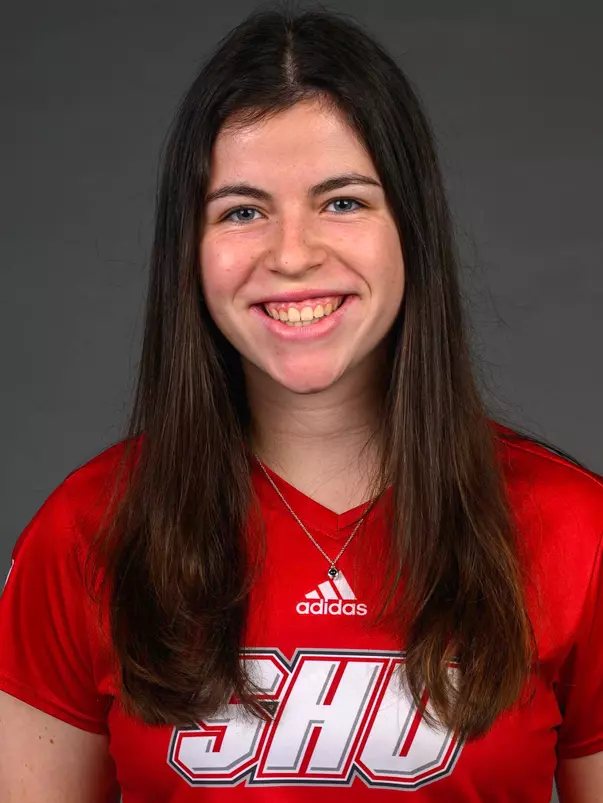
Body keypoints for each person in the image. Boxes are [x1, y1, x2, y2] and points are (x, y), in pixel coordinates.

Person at [1, 7, 602, 802]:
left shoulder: (574, 531)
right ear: (191, 247)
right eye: (242, 211)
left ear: (410, 231)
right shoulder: (86, 533)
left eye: (342, 201)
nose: (291, 254)